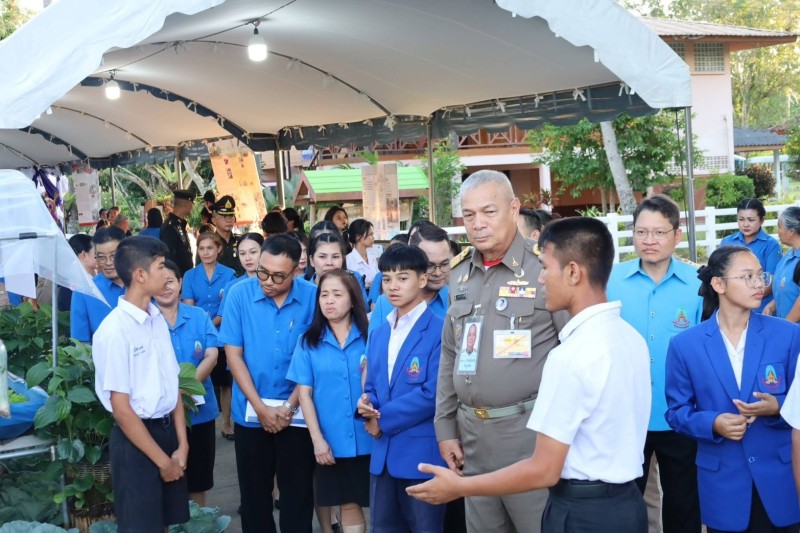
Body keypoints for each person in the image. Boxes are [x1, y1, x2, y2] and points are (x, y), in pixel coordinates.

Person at [408, 217, 651, 533]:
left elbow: (543, 470)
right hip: (624, 503)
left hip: (582, 512)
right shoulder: (630, 337)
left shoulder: (570, 355)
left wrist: (460, 487)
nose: (540, 279)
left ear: (573, 272)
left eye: (546, 268)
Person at [435, 170, 566, 533]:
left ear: (513, 208)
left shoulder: (544, 268)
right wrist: (445, 427)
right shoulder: (458, 275)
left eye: (488, 212)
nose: (478, 224)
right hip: (473, 438)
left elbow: (574, 351)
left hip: (529, 436)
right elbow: (450, 354)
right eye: (469, 215)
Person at [666, 246, 800, 532]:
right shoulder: (685, 345)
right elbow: (676, 412)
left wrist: (779, 407)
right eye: (747, 276)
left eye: (761, 275)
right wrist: (713, 423)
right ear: (718, 284)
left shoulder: (788, 335)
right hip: (723, 484)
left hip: (780, 479)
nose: (759, 284)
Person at [606, 194, 703, 533]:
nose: (649, 240)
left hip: (681, 412)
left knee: (684, 502)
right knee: (625, 503)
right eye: (642, 232)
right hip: (625, 413)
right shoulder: (610, 280)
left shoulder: (699, 284)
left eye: (660, 232)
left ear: (677, 235)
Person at [218, 234, 317, 532]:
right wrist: (260, 408)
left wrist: (289, 407)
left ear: (296, 270)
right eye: (263, 271)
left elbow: (314, 359)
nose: (267, 281)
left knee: (298, 496)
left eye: (278, 276)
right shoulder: (238, 294)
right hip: (250, 412)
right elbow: (234, 355)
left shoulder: (313, 297)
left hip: (298, 413)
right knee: (254, 498)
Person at [91, 236, 190, 531]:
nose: (166, 273)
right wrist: (163, 462)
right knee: (141, 526)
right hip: (136, 443)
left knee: (165, 523)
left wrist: (182, 444)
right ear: (140, 275)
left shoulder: (156, 318)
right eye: (160, 266)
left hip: (167, 434)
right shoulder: (114, 331)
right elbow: (122, 410)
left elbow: (172, 385)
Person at [357, 244, 447, 532]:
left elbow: (432, 394)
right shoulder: (380, 332)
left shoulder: (440, 330)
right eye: (386, 279)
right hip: (383, 456)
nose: (393, 286)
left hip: (421, 455)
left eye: (402, 278)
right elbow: (373, 385)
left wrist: (380, 420)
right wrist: (365, 405)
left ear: (422, 279)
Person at [287, 269, 373, 533]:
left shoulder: (372, 336)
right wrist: (318, 441)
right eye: (324, 295)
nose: (329, 301)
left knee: (383, 503)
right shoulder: (308, 341)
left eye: (337, 294)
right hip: (334, 441)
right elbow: (304, 394)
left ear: (353, 299)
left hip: (373, 436)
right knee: (348, 504)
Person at [156, 259, 220, 508]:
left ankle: (199, 522)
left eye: (170, 281)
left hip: (200, 413)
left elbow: (211, 356)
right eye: (160, 282)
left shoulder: (198, 316)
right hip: (161, 416)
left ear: (180, 283)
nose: (166, 287)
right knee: (166, 479)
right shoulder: (146, 321)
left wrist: (184, 390)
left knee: (198, 479)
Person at [217, 232, 265, 441]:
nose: (248, 258)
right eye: (243, 253)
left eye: (253, 252)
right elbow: (227, 324)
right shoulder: (233, 288)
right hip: (241, 354)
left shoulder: (278, 283)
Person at [369, 223, 452, 333]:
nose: (438, 272)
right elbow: (373, 343)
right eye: (430, 266)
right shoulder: (384, 303)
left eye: (444, 264)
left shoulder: (457, 301)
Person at [720, 199, 782, 313]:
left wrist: (744, 297)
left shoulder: (771, 245)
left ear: (762, 220)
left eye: (751, 220)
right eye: (741, 219)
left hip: (760, 309)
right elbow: (720, 274)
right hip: (732, 309)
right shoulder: (727, 242)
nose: (745, 224)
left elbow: (772, 282)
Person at [70, 226, 127, 343]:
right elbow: (81, 344)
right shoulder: (85, 292)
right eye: (101, 257)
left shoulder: (141, 284)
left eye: (113, 255)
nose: (108, 262)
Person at [181, 232, 236, 328]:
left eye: (210, 248)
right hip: (197, 328)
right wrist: (201, 328)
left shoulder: (229, 274)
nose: (205, 253)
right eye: (201, 248)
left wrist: (208, 326)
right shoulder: (189, 275)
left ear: (219, 249)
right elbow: (189, 309)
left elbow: (229, 309)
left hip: (223, 329)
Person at [307, 232, 369, 311]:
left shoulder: (353, 281)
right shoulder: (303, 291)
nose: (329, 263)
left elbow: (363, 312)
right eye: (322, 257)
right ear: (312, 260)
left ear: (342, 259)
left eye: (335, 257)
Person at [765, 206, 800, 321]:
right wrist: (772, 305)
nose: (778, 231)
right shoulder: (787, 256)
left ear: (791, 231)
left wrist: (786, 326)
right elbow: (787, 290)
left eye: (779, 227)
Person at [58, 233, 96, 313]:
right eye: (96, 253)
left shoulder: (95, 273)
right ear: (84, 255)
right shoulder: (72, 283)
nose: (101, 256)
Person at [160, 190, 196, 275]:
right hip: (177, 276)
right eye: (192, 203)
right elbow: (169, 256)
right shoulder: (170, 226)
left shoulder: (180, 224)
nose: (193, 207)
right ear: (186, 205)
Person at [212, 195, 244, 277]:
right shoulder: (209, 243)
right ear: (214, 221)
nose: (229, 220)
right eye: (224, 217)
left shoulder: (241, 241)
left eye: (231, 216)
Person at [346, 219, 379, 290]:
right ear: (358, 236)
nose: (373, 238)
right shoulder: (348, 261)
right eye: (370, 234)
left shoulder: (373, 258)